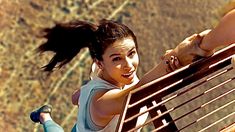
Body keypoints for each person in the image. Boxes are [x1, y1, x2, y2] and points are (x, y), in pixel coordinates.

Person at [30, 9, 235, 132]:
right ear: (100, 62)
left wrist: (81, 97)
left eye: (132, 53)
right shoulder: (102, 104)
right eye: (117, 59)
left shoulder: (109, 72)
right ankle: (44, 116)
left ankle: (72, 103)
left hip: (90, 118)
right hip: (94, 115)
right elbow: (138, 93)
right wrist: (175, 60)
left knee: (81, 97)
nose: (128, 65)